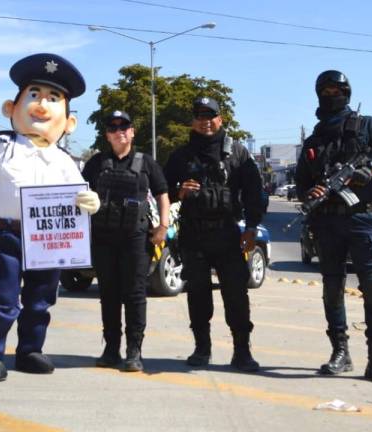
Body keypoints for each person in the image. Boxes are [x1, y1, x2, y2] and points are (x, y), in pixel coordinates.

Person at [0, 53, 100, 382]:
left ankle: (30, 349)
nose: (42, 105)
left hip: (48, 238)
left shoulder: (63, 159)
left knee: (40, 300)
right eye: (34, 95)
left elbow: (78, 196)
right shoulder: (1, 146)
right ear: (11, 107)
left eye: (53, 98)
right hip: (7, 235)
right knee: (5, 300)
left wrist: (92, 202)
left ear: (69, 121)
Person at [295, 70, 372, 384]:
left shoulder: (368, 125)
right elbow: (301, 181)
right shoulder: (315, 139)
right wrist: (310, 193)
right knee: (332, 287)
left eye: (337, 90)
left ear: (347, 92)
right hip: (327, 222)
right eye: (326, 91)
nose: (332, 96)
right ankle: (340, 352)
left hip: (361, 218)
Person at [164, 97, 264, 371]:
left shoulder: (238, 154)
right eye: (199, 115)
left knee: (236, 295)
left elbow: (255, 192)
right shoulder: (181, 156)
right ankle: (202, 348)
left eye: (211, 115)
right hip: (194, 235)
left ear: (221, 119)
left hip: (227, 234)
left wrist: (252, 227)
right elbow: (161, 191)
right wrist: (178, 192)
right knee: (197, 294)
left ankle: (242, 351)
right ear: (192, 121)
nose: (205, 121)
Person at [81, 110, 170, 372]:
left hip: (135, 237)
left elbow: (163, 194)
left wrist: (163, 226)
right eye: (113, 127)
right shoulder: (96, 163)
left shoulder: (146, 163)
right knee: (108, 295)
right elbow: (78, 193)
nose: (119, 131)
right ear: (107, 134)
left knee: (135, 294)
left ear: (132, 132)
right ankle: (111, 349)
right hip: (104, 237)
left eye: (124, 127)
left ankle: (134, 351)